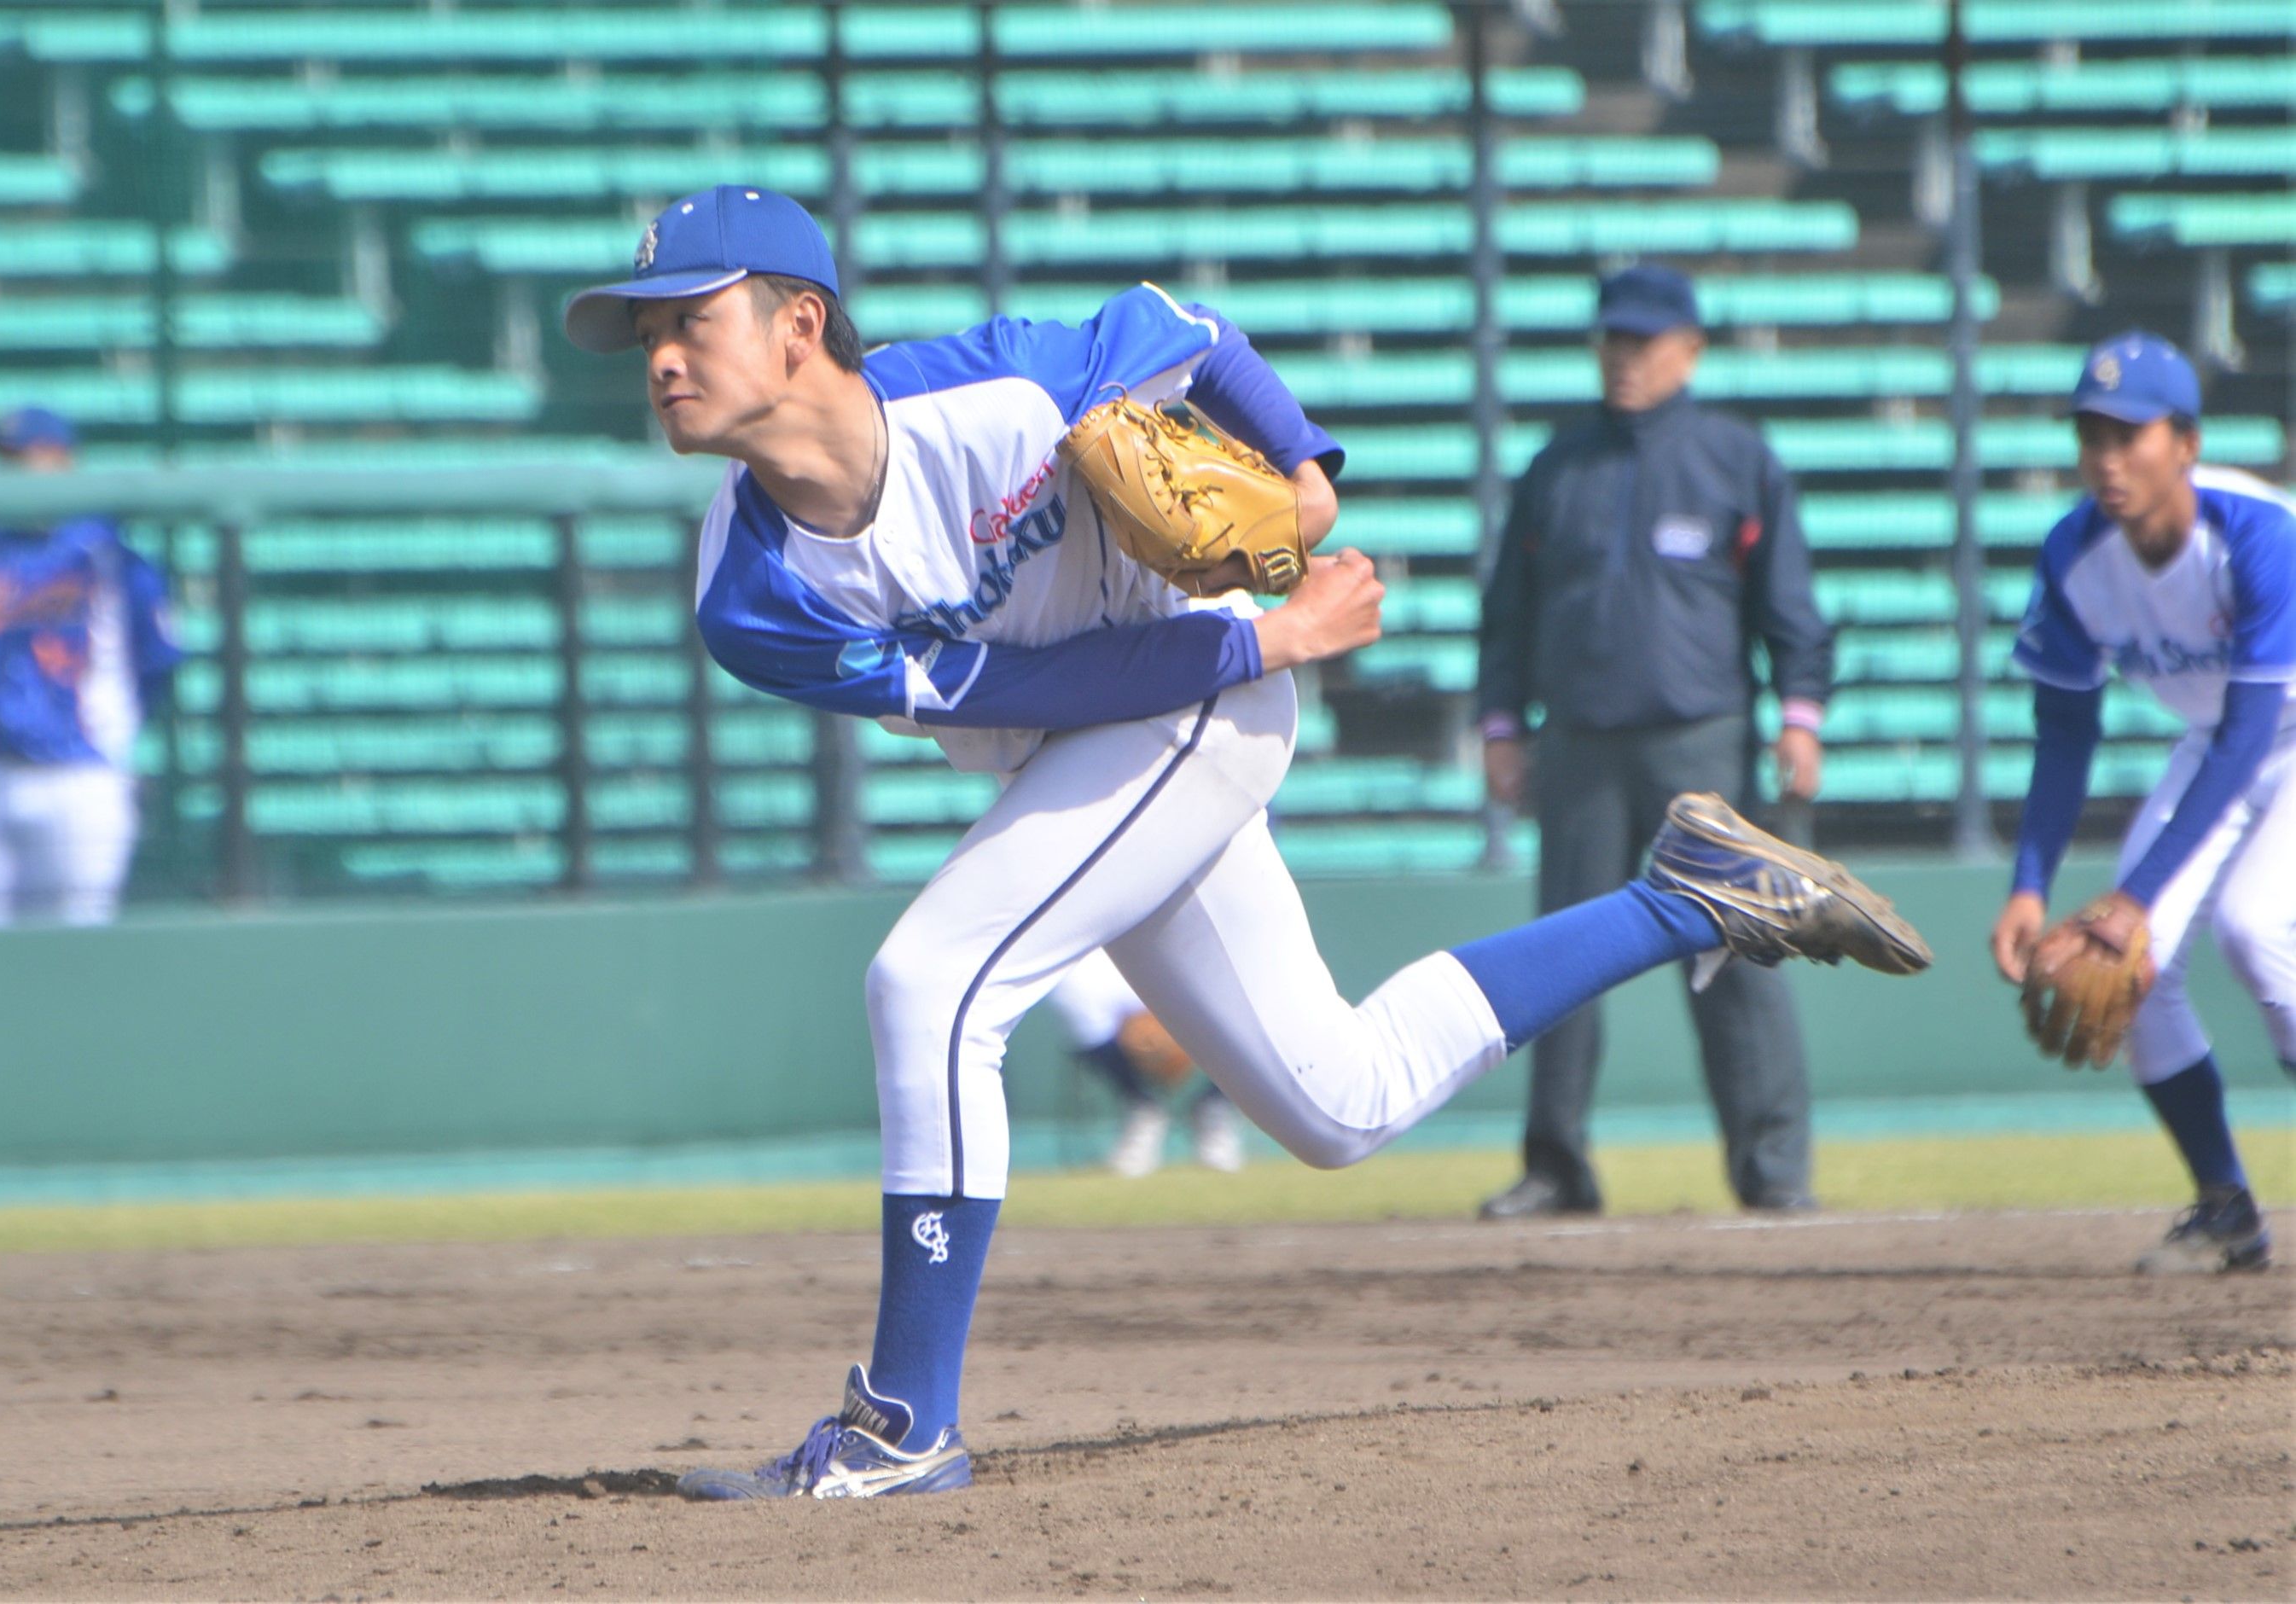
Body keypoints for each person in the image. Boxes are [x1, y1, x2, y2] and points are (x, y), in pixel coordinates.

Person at [561, 185, 1927, 1500]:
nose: (661, 356)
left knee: (925, 986)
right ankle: (1688, 898)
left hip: (1195, 720)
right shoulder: (748, 593)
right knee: (1342, 1102)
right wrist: (1261, 630)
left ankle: (904, 1420)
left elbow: (1192, 330)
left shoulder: (1004, 390)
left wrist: (1308, 480)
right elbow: (1003, 691)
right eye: (647, 332)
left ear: (801, 324)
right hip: (1115, 727)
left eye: (691, 317)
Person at [1473, 264, 1836, 1220]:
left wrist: (1802, 713)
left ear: (1689, 350)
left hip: (1700, 744)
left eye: (1641, 343)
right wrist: (1502, 726)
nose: (1622, 360)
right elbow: (1507, 613)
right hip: (1581, 744)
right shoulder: (1559, 465)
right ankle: (1556, 1163)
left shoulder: (1736, 459)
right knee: (1563, 958)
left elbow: (1790, 605)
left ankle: (1773, 1167)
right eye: (1610, 342)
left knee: (1735, 951)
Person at [1991, 332, 2293, 1276]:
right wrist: (2030, 882)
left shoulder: (2255, 531)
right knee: (2140, 961)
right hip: (2219, 743)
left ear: (2188, 442)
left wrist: (2133, 893)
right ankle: (2225, 1206)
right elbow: (2065, 731)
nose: (2108, 458)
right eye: (2092, 435)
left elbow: (2253, 731)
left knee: (2254, 928)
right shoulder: (2076, 555)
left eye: (2131, 434)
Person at [0, 408, 183, 925]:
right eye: (5, 459)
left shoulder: (107, 552)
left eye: (29, 456)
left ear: (64, 460)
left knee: (76, 952)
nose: (16, 472)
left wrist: (117, 732)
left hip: (81, 773)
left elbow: (156, 660)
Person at [1045, 948, 1244, 1176]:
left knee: (1251, 989)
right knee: (1072, 994)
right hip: (1105, 952)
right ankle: (1142, 1106)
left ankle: (1215, 1106)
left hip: (1182, 946)